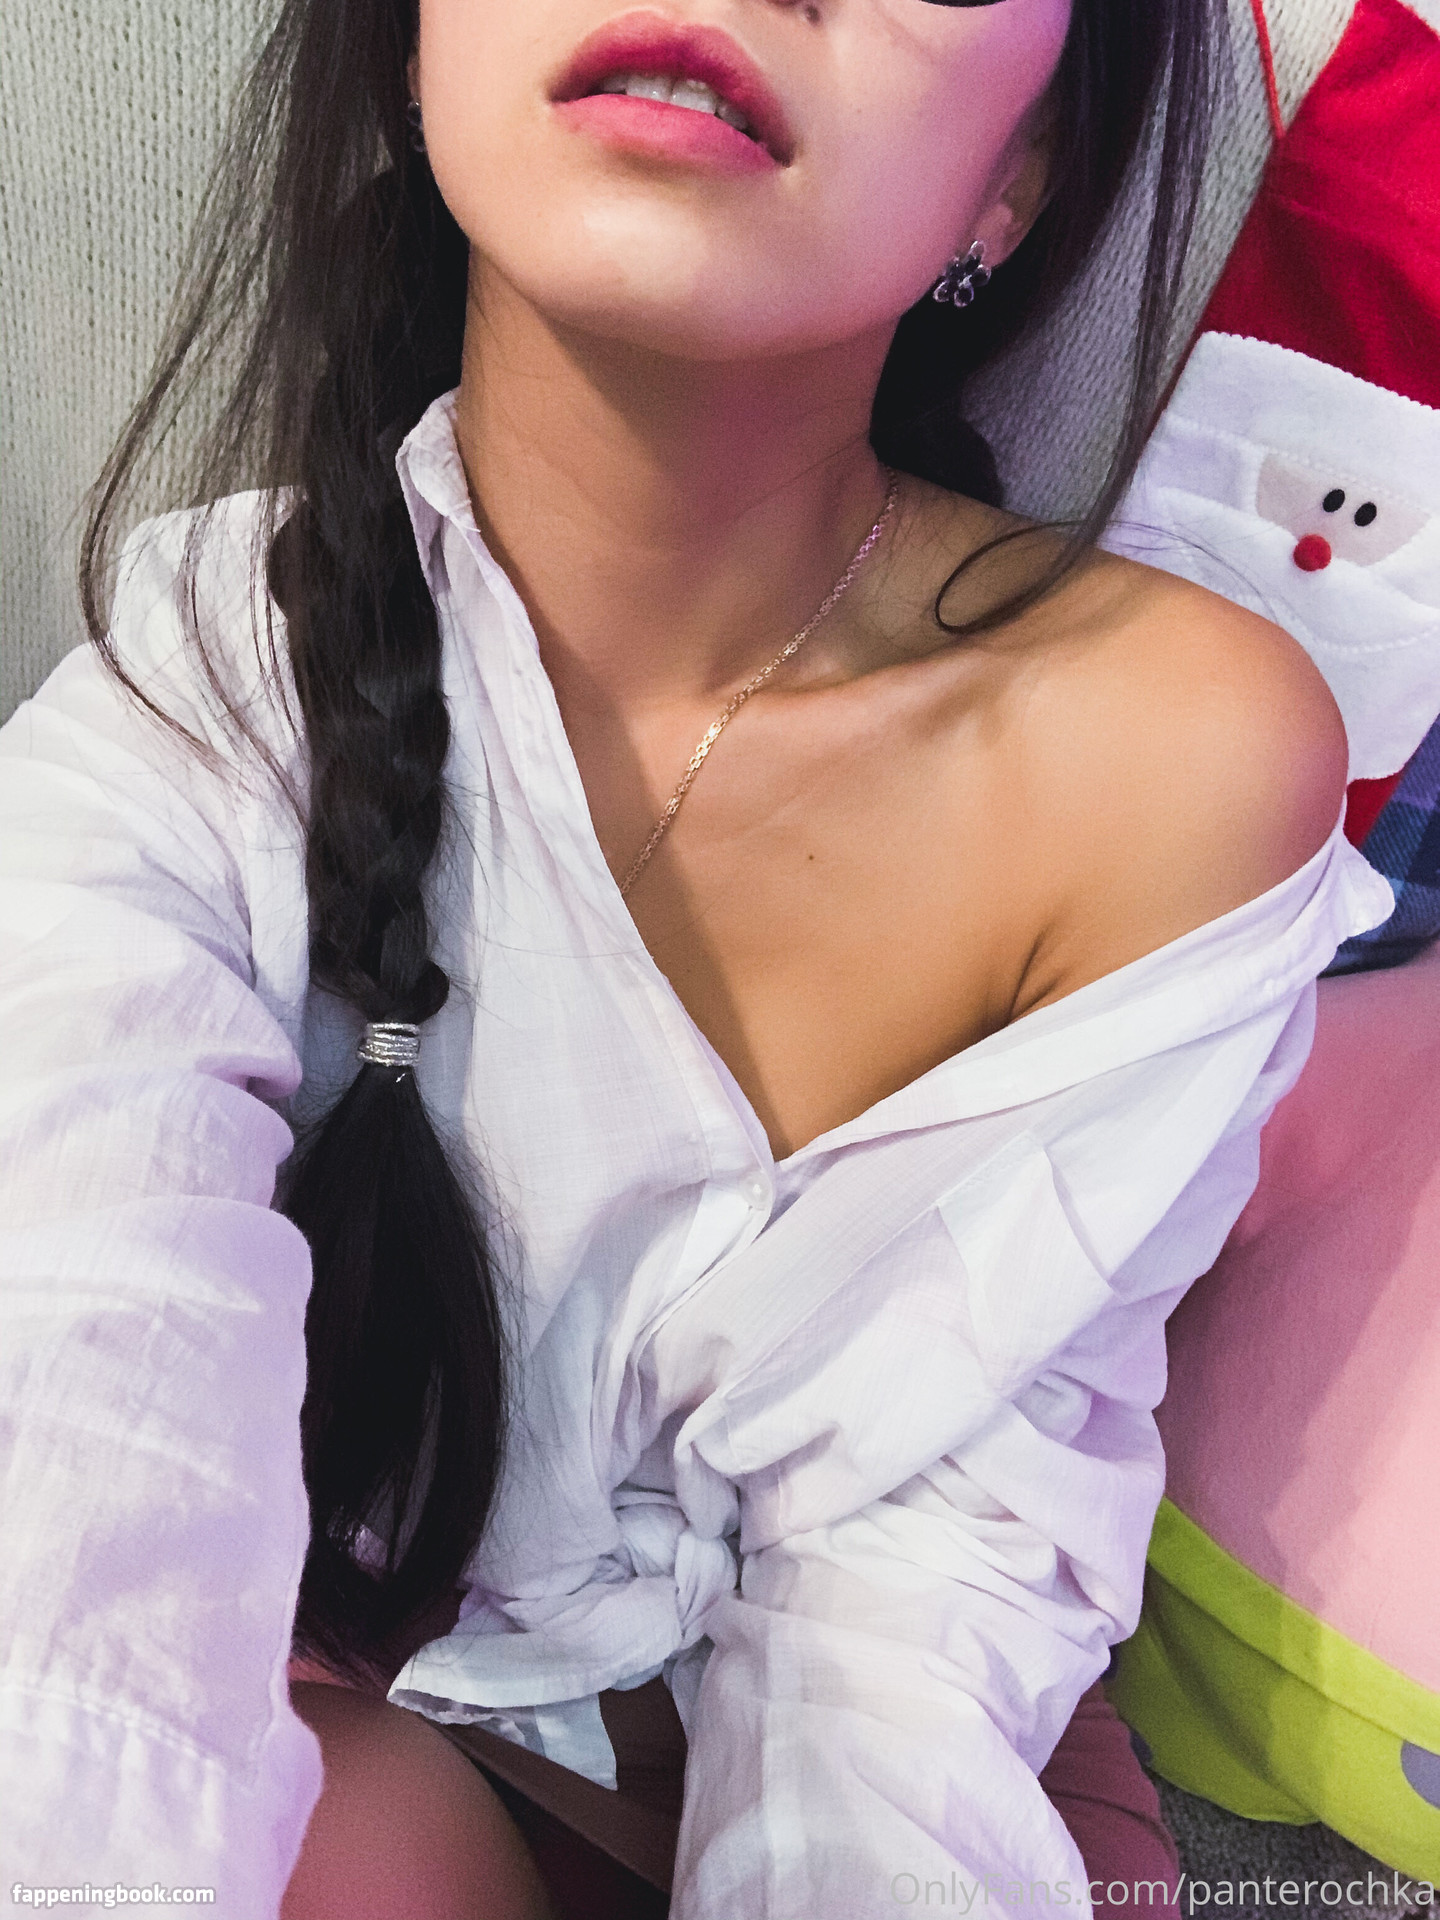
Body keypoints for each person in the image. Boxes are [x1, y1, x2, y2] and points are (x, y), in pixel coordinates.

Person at [0, 0, 1393, 1915]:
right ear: (414, 43)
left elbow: (925, 1598)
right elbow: (75, 1436)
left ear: (1017, 177)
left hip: (912, 1745)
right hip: (308, 1699)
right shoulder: (194, 699)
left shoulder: (1168, 754)